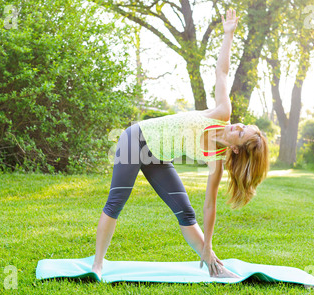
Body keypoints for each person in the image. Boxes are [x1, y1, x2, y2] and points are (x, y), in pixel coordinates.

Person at [92, 9, 269, 278]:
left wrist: (208, 244)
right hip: (135, 139)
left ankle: (214, 266)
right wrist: (228, 34)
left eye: (240, 133)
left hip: (158, 157)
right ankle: (98, 264)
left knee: (186, 212)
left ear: (236, 148)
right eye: (243, 125)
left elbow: (209, 206)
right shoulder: (221, 113)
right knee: (116, 202)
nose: (237, 125)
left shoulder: (217, 161)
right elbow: (222, 72)